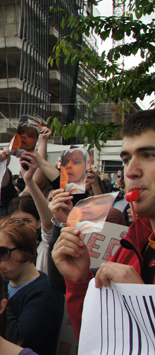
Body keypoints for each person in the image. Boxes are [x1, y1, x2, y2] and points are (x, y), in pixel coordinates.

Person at [53, 110, 155, 340]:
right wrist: (79, 282)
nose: (130, 172)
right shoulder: (132, 244)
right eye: (127, 159)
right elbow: (97, 343)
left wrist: (141, 301)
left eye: (148, 155)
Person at [0, 217, 62, 355]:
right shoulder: (4, 283)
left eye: (2, 252)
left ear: (25, 252)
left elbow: (18, 340)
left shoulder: (46, 293)